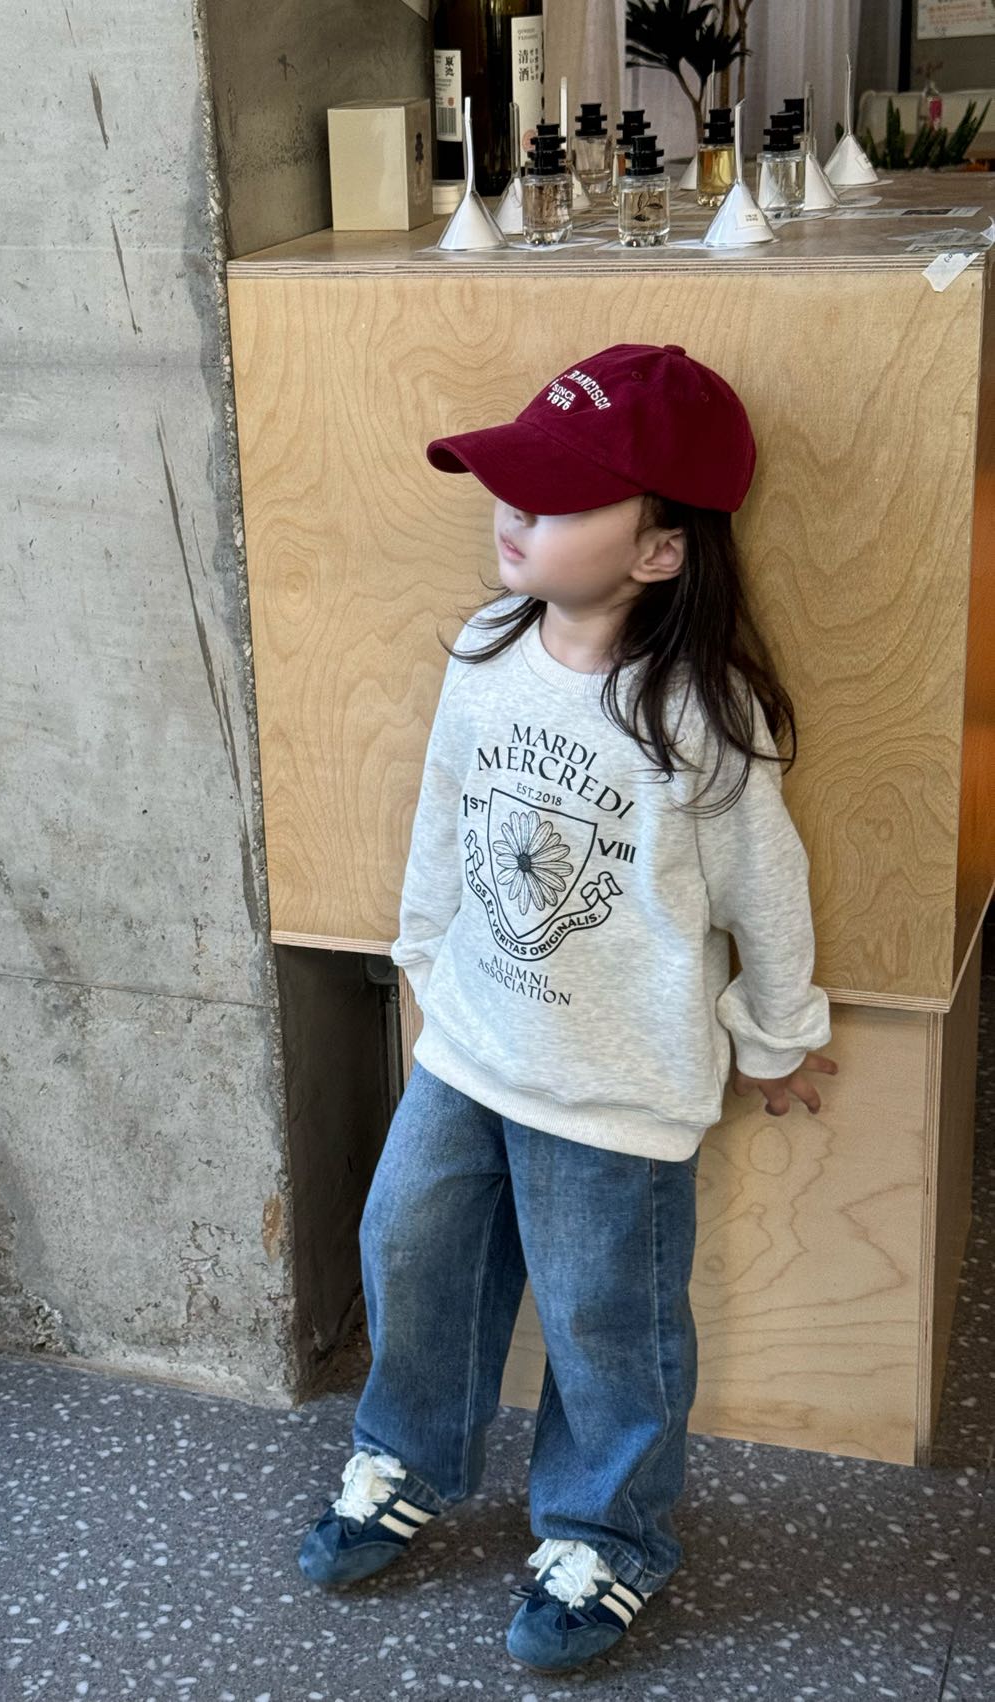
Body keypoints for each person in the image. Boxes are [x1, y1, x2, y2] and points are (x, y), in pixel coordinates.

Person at [295, 344, 839, 1675]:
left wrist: (779, 1036)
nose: (512, 511)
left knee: (607, 1321)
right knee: (408, 1244)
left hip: (616, 1089)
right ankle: (405, 1455)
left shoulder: (698, 715)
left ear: (661, 550)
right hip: (472, 1050)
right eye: (512, 483)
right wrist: (424, 961)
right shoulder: (490, 649)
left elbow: (767, 891)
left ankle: (607, 1532)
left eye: (556, 497)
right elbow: (443, 811)